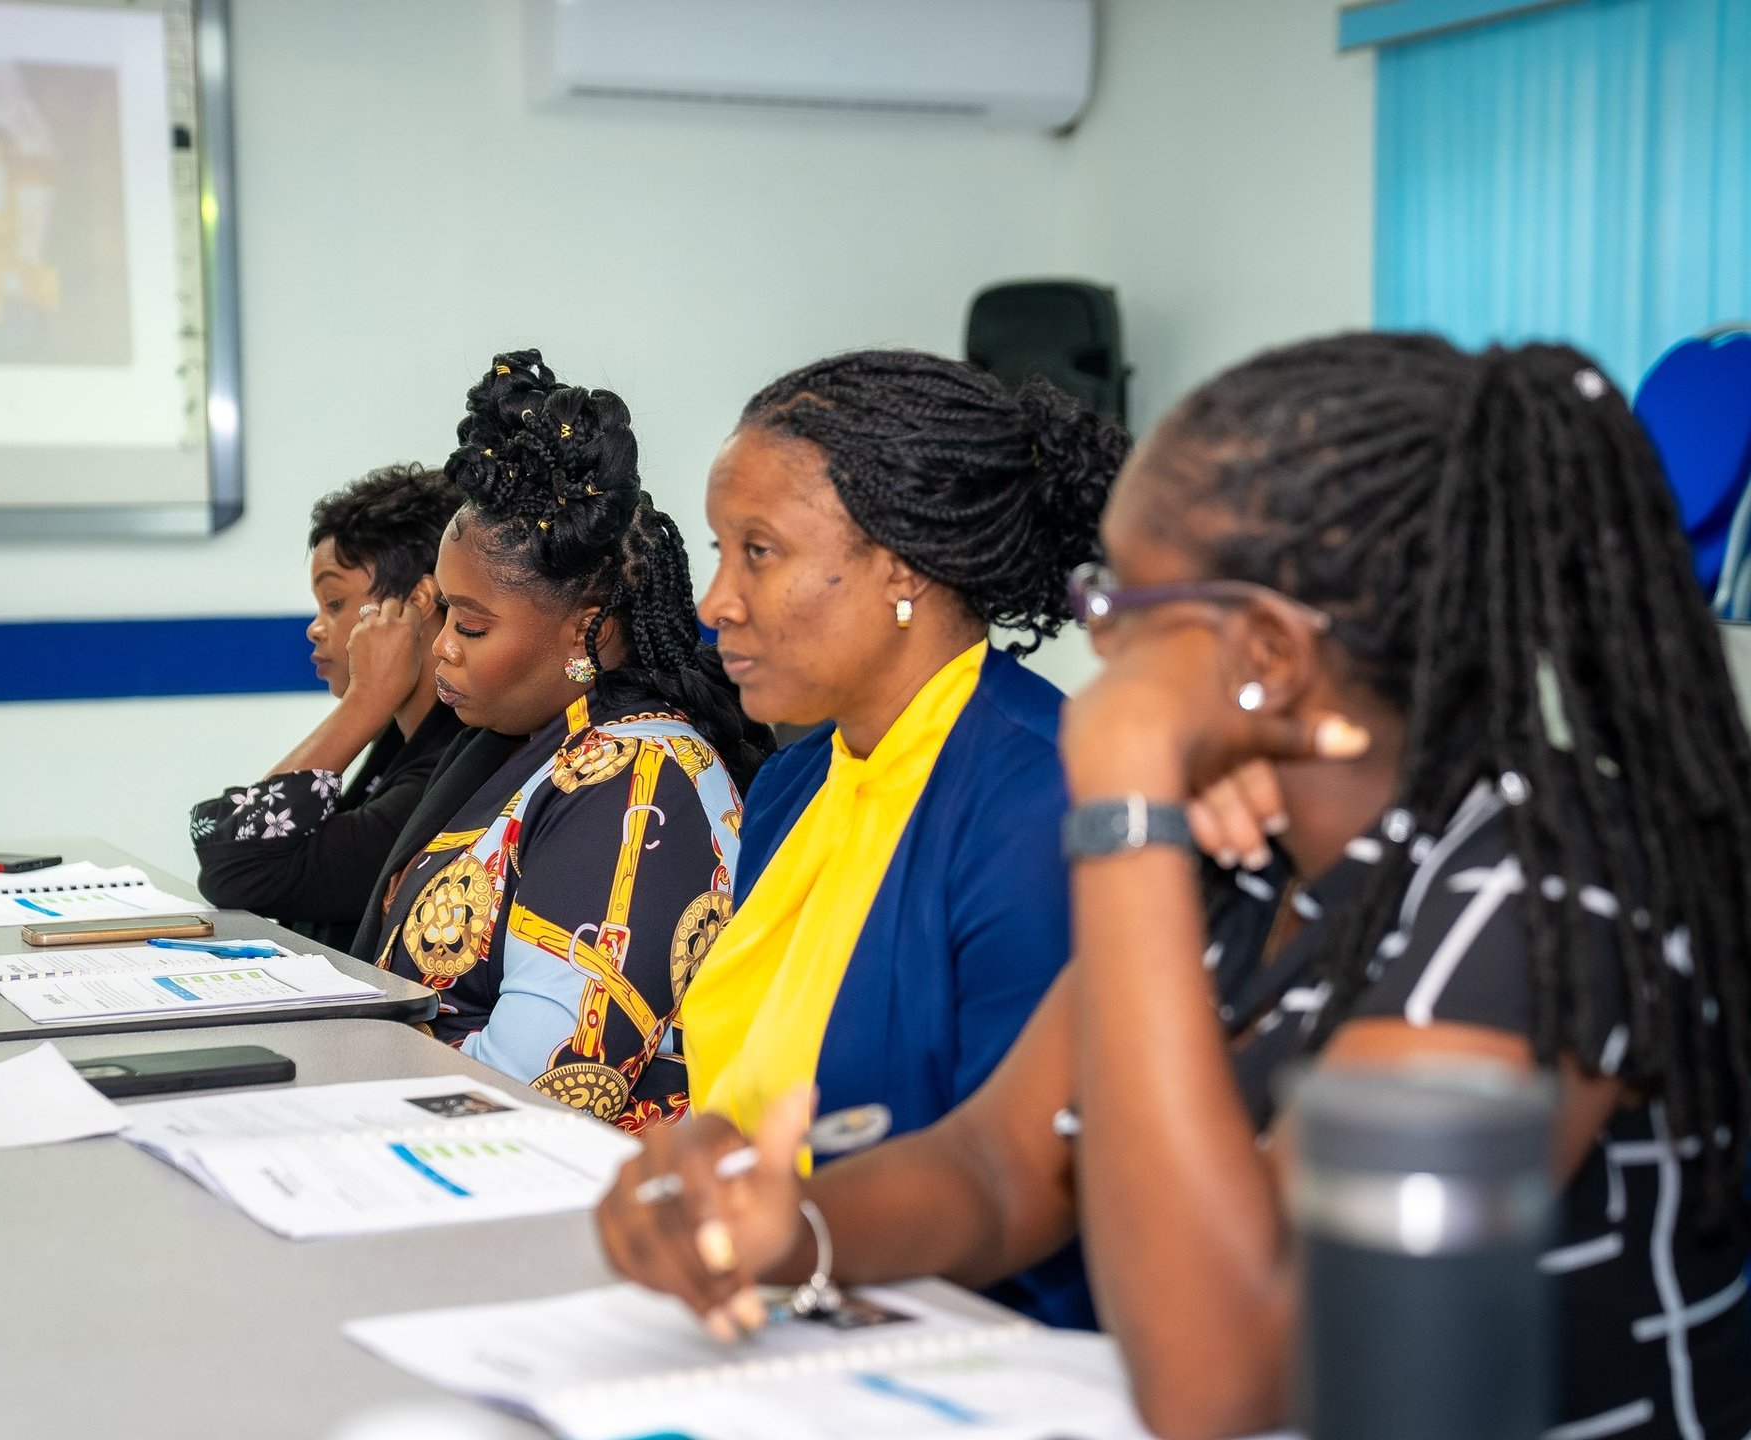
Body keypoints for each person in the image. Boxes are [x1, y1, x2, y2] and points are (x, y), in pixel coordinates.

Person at [595, 335, 1751, 1440]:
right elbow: (999, 1168)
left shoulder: (1546, 885)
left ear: (1267, 660)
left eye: (1126, 613)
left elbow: (1226, 1370)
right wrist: (785, 1223)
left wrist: (1130, 810)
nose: (1099, 652)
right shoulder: (1251, 867)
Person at [676, 349, 1127, 1326]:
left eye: (759, 552)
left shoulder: (1044, 801)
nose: (715, 603)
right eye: (721, 551)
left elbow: (1033, 1193)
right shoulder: (795, 783)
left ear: (902, 567)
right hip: (771, 1299)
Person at [353, 351, 771, 1134]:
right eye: (444, 615)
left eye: (471, 625)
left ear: (588, 631)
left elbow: (541, 1088)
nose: (442, 646)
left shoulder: (639, 780)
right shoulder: (532, 744)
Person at [190, 464, 464, 949]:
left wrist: (366, 699)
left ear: (419, 599)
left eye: (334, 603)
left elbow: (235, 868)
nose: (315, 628)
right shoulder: (404, 740)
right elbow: (218, 831)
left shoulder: (457, 766)